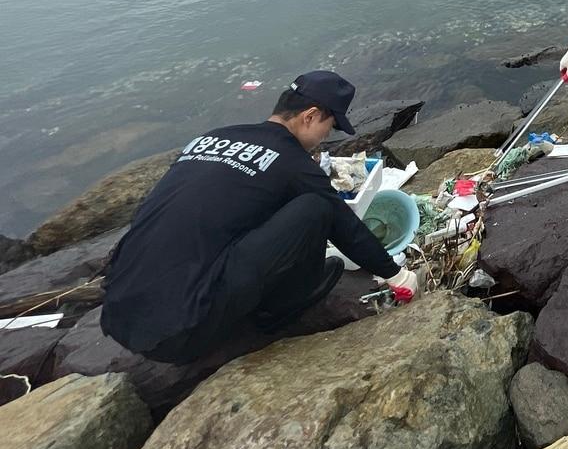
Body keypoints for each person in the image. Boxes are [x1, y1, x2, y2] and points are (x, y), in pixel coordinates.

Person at [101, 72, 417, 365]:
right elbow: (344, 226)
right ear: (310, 116)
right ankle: (278, 309)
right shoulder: (291, 161)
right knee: (315, 208)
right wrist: (397, 276)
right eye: (330, 126)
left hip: (119, 316)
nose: (325, 137)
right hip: (183, 335)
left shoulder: (210, 138)